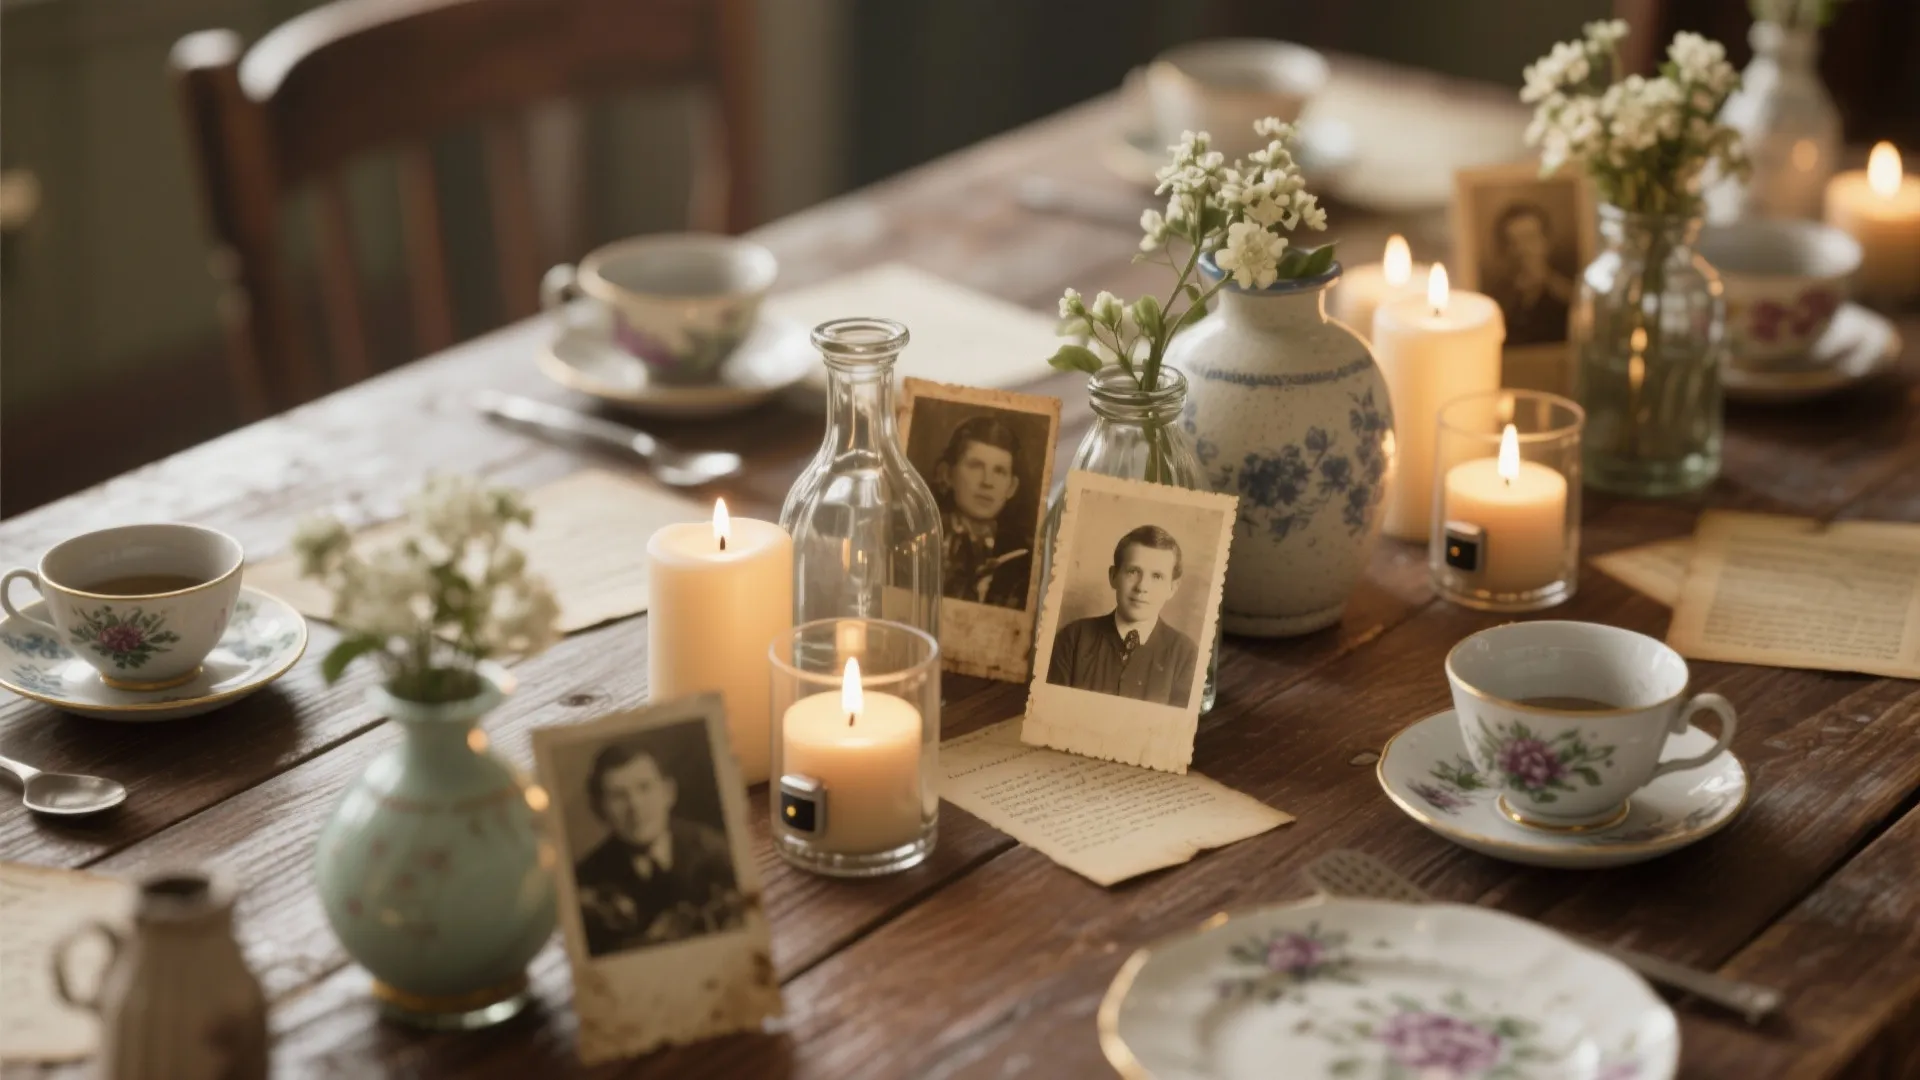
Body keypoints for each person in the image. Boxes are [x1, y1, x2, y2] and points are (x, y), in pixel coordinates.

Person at [571, 741, 742, 957]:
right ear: (599, 809)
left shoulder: (717, 850)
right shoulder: (585, 879)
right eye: (617, 796)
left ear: (668, 793)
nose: (635, 806)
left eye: (644, 787)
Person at [1045, 524, 1198, 708]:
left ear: (1172, 588)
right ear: (1113, 576)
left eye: (1157, 576)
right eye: (1133, 572)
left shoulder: (1186, 655)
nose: (1142, 587)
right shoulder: (1073, 639)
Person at [932, 415, 1032, 609]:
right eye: (975, 466)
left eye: (999, 471)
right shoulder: (922, 539)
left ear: (1011, 487)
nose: (987, 482)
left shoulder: (1024, 558)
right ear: (948, 474)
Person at [1486, 201, 1575, 346]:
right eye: (1514, 242)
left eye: (1530, 238)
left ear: (1546, 242)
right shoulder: (1496, 300)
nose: (1523, 250)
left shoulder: (1567, 297)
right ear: (1505, 250)